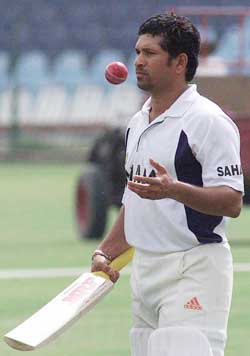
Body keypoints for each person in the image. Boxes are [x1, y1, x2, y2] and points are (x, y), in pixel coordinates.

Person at [91, 13, 244, 356]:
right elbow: (135, 199)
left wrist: (175, 190)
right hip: (145, 271)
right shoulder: (137, 122)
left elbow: (232, 201)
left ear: (180, 63)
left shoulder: (208, 121)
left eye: (150, 53)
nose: (138, 62)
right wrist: (106, 251)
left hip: (194, 268)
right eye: (137, 51)